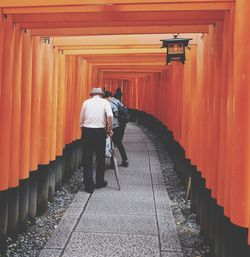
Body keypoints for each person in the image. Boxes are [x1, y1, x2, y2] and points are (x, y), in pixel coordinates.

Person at [80, 87, 113, 193]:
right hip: (99, 132)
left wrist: (84, 129)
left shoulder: (86, 102)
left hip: (87, 131)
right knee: (100, 158)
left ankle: (88, 186)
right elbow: (110, 117)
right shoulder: (105, 102)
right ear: (101, 95)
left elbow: (82, 119)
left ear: (92, 95)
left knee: (87, 159)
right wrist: (109, 130)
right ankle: (99, 182)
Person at [104, 90, 129, 167]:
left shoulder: (109, 104)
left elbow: (109, 116)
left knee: (112, 143)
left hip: (114, 126)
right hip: (121, 126)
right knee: (118, 143)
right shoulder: (117, 101)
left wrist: (108, 128)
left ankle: (113, 163)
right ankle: (124, 160)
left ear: (107, 97)